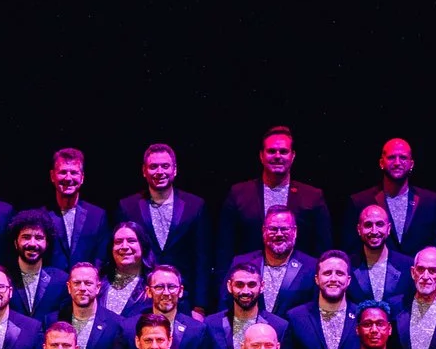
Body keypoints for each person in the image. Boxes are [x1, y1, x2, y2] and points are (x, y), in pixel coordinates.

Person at [216, 125, 333, 268]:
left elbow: (323, 248)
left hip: (300, 283)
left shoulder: (313, 197)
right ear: (261, 155)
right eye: (271, 151)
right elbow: (224, 248)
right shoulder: (239, 194)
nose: (277, 156)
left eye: (283, 151)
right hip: (248, 282)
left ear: (293, 156)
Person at [116, 142, 209, 293]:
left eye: (165, 166)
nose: (160, 172)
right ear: (144, 171)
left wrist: (199, 307)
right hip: (139, 295)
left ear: (175, 169)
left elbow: (202, 258)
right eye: (153, 167)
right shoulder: (127, 207)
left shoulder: (195, 206)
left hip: (183, 295)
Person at [347, 136, 436, 257]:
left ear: (411, 164)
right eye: (391, 157)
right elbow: (350, 250)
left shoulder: (430, 201)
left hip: (419, 273)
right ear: (381, 163)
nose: (397, 163)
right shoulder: (360, 201)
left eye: (403, 158)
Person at [230, 207, 321, 316]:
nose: (279, 234)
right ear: (264, 231)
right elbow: (225, 306)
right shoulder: (241, 263)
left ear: (295, 231)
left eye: (284, 229)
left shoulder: (311, 266)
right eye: (273, 229)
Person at [281, 250, 358, 349]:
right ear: (317, 279)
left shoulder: (361, 316)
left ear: (348, 280)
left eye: (339, 273)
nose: (333, 279)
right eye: (327, 273)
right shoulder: (295, 317)